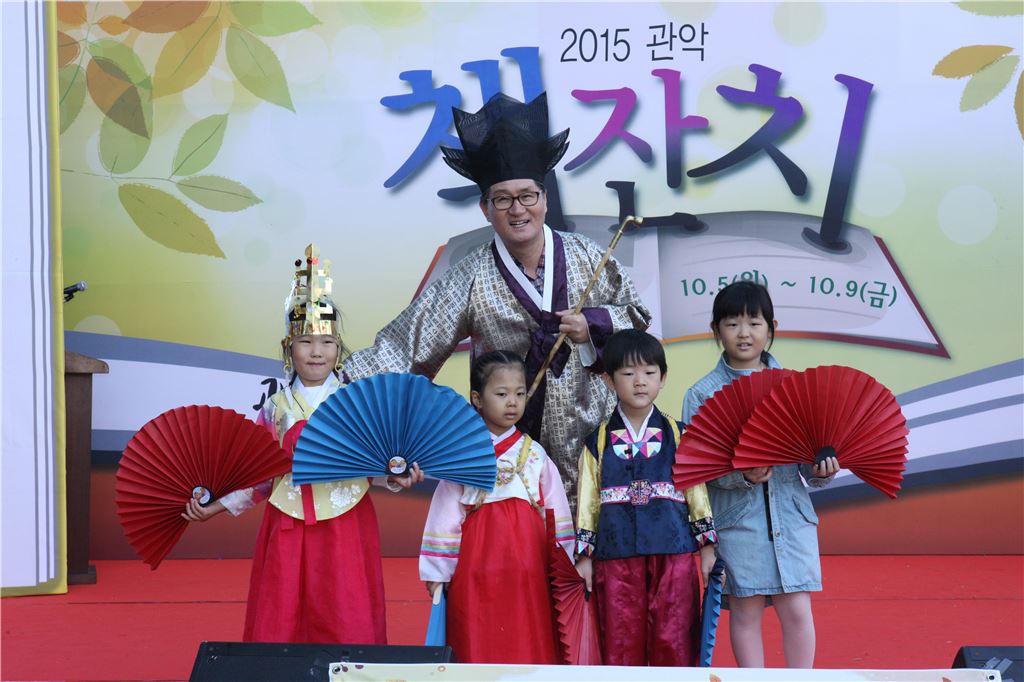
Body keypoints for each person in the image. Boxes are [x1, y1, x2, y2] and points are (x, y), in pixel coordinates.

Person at [344, 93, 650, 507]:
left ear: (545, 199)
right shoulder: (470, 276)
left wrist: (591, 325)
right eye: (502, 199)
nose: (517, 209)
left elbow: (636, 318)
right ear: (486, 208)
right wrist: (333, 387)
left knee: (594, 542)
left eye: (527, 196)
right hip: (508, 455)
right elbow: (406, 347)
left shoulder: (587, 256)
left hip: (594, 444)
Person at [183, 244, 423, 644]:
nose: (316, 351)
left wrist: (396, 476)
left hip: (346, 522)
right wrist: (216, 506)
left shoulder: (357, 402)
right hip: (287, 521)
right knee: (283, 608)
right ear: (287, 348)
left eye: (327, 342)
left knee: (346, 606)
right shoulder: (275, 409)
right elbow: (259, 476)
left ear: (339, 348)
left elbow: (376, 463)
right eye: (305, 341)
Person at [681, 281, 838, 668]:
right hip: (738, 522)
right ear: (715, 330)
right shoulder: (702, 395)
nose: (744, 333)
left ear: (772, 327)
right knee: (746, 612)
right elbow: (697, 471)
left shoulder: (795, 386)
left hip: (792, 516)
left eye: (754, 322)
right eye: (732, 323)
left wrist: (820, 470)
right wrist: (743, 476)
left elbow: (807, 463)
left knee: (797, 609)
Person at [419, 350, 574, 664]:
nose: (512, 402)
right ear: (477, 398)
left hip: (528, 571)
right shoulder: (462, 455)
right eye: (501, 394)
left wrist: (565, 565)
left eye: (519, 394)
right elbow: (445, 516)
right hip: (476, 569)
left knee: (528, 633)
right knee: (476, 635)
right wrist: (438, 571)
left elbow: (556, 513)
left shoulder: (535, 455)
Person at [575, 329, 717, 666]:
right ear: (609, 380)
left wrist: (708, 547)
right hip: (615, 555)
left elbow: (696, 492)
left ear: (663, 378)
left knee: (675, 639)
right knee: (620, 642)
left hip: (674, 553)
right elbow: (587, 502)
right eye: (628, 373)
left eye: (650, 372)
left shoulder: (680, 434)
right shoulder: (597, 442)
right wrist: (584, 556)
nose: (640, 382)